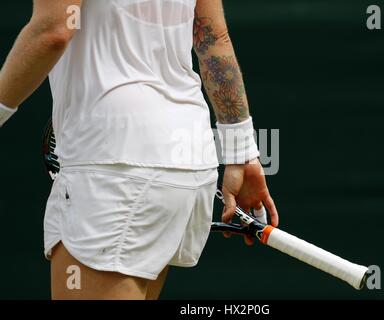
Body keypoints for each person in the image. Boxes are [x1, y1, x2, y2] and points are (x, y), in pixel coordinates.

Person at [0, 0, 278, 300]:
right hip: (186, 161)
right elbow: (212, 37)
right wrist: (241, 149)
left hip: (115, 169)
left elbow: (54, 30)